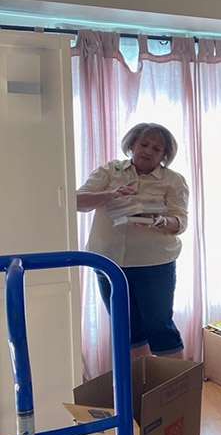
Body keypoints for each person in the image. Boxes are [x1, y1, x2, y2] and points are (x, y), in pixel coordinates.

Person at [76, 122, 188, 359]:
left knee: (160, 328)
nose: (148, 151)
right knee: (126, 330)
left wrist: (158, 220)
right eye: (144, 144)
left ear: (164, 155)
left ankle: (175, 393)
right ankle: (139, 390)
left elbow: (180, 222)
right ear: (132, 144)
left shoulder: (173, 180)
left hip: (155, 264)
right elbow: (76, 202)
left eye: (157, 149)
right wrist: (109, 195)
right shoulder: (110, 171)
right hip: (109, 264)